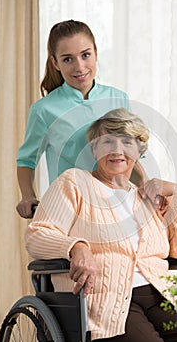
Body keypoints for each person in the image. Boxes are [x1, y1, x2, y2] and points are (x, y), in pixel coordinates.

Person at [25, 108, 177, 342]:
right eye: (107, 141)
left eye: (127, 142)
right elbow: (37, 234)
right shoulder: (75, 182)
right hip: (107, 301)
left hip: (161, 295)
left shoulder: (147, 198)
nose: (117, 150)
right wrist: (76, 247)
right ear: (93, 149)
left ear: (139, 151)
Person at [16, 19, 131, 219]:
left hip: (116, 210)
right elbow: (26, 160)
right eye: (68, 59)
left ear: (95, 52)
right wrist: (28, 196)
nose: (79, 67)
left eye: (85, 55)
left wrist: (148, 186)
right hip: (70, 211)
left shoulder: (118, 99)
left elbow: (132, 157)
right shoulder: (44, 110)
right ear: (55, 63)